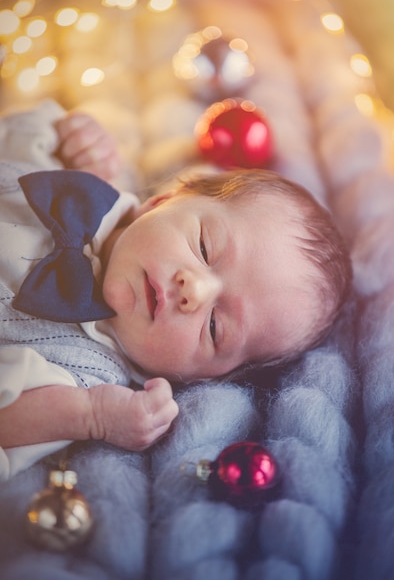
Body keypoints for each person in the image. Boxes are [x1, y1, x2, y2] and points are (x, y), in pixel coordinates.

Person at [0, 108, 352, 479]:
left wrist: (90, 416)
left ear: (200, 378)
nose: (195, 290)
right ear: (163, 201)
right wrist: (76, 134)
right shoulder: (82, 183)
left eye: (215, 326)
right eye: (204, 247)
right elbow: (23, 129)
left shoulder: (83, 377)